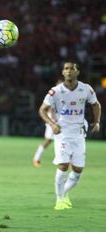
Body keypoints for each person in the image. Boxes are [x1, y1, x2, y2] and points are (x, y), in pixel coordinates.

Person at [39, 62, 101, 210]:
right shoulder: (55, 91)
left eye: (72, 68)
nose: (69, 71)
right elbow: (42, 110)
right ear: (62, 72)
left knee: (78, 170)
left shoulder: (86, 89)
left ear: (77, 72)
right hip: (62, 133)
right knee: (63, 165)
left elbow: (96, 104)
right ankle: (59, 200)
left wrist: (97, 121)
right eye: (66, 69)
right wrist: (52, 124)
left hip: (79, 133)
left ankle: (64, 193)